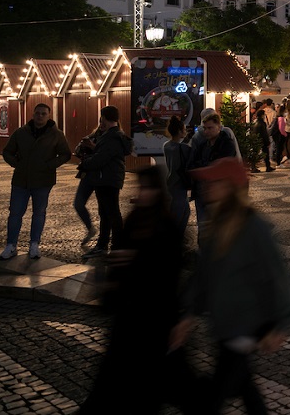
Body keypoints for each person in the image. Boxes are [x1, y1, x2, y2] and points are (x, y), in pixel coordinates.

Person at [172, 158, 290, 414]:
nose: (206, 187)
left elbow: (277, 277)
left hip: (244, 327)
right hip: (224, 326)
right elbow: (204, 278)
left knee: (213, 400)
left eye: (214, 181)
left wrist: (281, 324)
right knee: (245, 389)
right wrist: (188, 316)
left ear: (230, 186)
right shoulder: (215, 226)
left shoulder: (254, 227)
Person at [78, 166, 194, 414]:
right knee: (112, 375)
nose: (142, 194)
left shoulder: (167, 225)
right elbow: (121, 255)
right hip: (130, 313)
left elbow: (169, 270)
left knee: (159, 383)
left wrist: (136, 258)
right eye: (140, 188)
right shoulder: (134, 219)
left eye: (147, 188)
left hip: (156, 315)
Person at [0, 103, 72, 260]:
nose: (40, 116)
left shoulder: (56, 134)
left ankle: (34, 244)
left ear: (48, 116)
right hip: (21, 180)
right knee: (15, 213)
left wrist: (49, 165)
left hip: (43, 180)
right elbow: (7, 151)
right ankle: (11, 245)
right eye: (37, 113)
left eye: (43, 114)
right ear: (33, 114)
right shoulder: (21, 132)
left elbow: (65, 154)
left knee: (38, 213)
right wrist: (16, 163)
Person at [79, 106, 134, 260]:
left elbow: (100, 159)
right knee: (106, 213)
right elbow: (105, 154)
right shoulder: (114, 135)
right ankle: (104, 244)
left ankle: (115, 246)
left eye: (101, 117)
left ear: (104, 117)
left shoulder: (112, 136)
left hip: (107, 179)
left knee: (111, 214)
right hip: (108, 178)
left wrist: (85, 162)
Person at [188, 113, 240, 234]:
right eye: (205, 128)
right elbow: (193, 164)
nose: (206, 131)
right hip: (201, 192)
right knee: (203, 226)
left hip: (218, 193)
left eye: (210, 128)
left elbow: (223, 167)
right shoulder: (202, 145)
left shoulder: (226, 144)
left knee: (219, 228)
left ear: (219, 127)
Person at [73, 119, 107, 246]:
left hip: (103, 177)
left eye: (105, 122)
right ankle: (90, 228)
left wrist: (93, 147)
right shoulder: (93, 136)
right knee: (78, 204)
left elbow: (105, 155)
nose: (102, 125)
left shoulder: (111, 138)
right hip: (87, 175)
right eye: (101, 122)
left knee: (104, 209)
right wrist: (82, 146)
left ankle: (105, 240)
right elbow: (77, 151)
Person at [163, 115, 193, 238]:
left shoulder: (166, 146)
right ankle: (175, 241)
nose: (185, 132)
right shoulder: (183, 148)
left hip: (171, 181)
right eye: (184, 129)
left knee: (184, 211)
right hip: (180, 183)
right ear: (180, 131)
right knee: (181, 213)